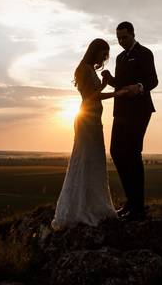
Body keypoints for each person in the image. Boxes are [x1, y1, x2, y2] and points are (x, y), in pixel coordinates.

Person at [51, 38, 135, 230]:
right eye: (103, 54)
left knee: (94, 160)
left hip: (94, 121)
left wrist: (105, 83)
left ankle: (91, 204)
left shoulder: (89, 69)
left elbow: (93, 92)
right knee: (85, 159)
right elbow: (90, 97)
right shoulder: (83, 69)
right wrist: (116, 93)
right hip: (87, 121)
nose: (104, 58)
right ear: (95, 51)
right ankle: (79, 207)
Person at [101, 21, 158, 221]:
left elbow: (153, 80)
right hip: (121, 111)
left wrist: (140, 86)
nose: (121, 41)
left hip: (140, 110)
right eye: (118, 38)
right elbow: (121, 84)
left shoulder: (145, 53)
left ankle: (138, 207)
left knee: (133, 154)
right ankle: (130, 201)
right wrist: (110, 79)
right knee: (116, 152)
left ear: (133, 34)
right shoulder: (120, 57)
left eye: (124, 37)